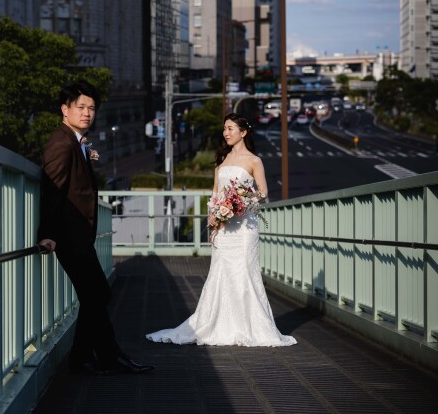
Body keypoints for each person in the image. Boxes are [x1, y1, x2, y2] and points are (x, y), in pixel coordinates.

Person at [146, 113, 296, 347]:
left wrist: (241, 201)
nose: (226, 133)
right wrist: (213, 223)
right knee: (221, 273)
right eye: (224, 129)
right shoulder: (222, 159)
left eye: (230, 128)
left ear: (243, 132)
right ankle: (218, 324)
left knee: (246, 272)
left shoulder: (254, 160)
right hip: (224, 228)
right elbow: (215, 195)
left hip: (245, 227)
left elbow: (263, 192)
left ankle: (250, 326)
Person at [38, 81, 154, 375]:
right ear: (65, 110)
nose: (87, 113)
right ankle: (102, 356)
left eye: (91, 108)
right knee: (98, 294)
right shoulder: (61, 144)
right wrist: (48, 233)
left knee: (96, 295)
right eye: (81, 107)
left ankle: (92, 356)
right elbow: (52, 189)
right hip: (68, 234)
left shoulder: (75, 142)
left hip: (77, 233)